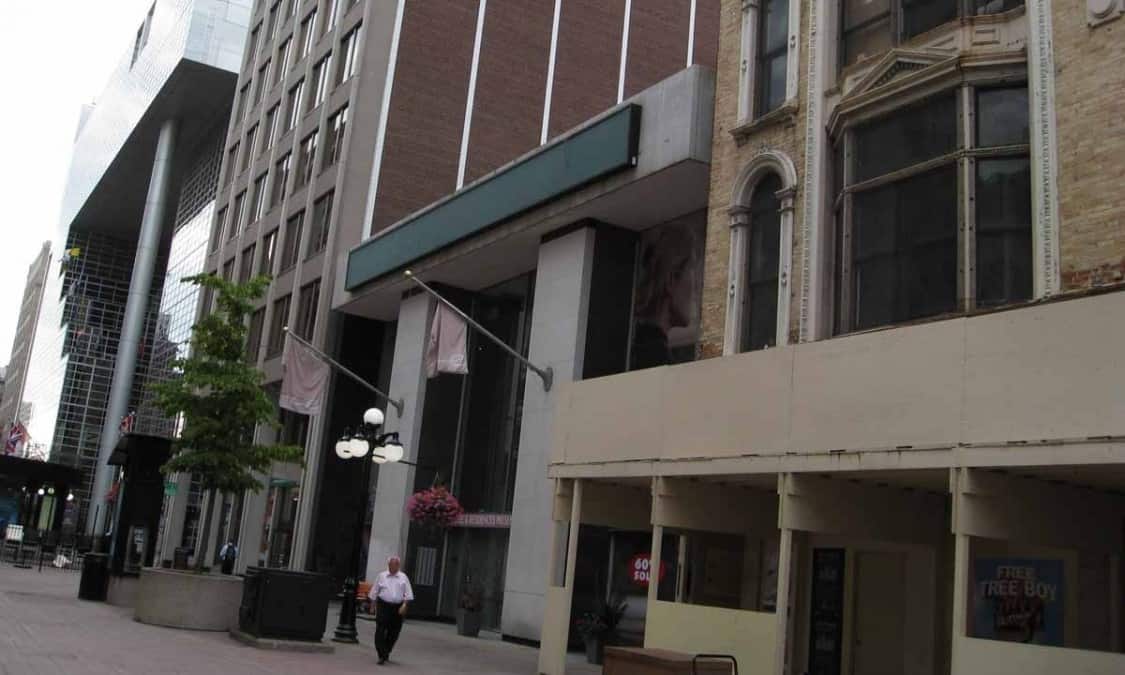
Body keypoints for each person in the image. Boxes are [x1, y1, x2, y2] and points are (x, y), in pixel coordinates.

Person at [368, 555, 414, 665]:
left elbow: (408, 594)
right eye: (391, 564)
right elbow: (374, 591)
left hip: (397, 607)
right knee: (380, 629)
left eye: (396, 565)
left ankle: (386, 651)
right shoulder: (382, 576)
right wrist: (372, 605)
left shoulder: (403, 577)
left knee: (394, 632)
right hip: (384, 605)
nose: (393, 567)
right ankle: (381, 654)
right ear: (388, 565)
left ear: (398, 566)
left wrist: (404, 605)